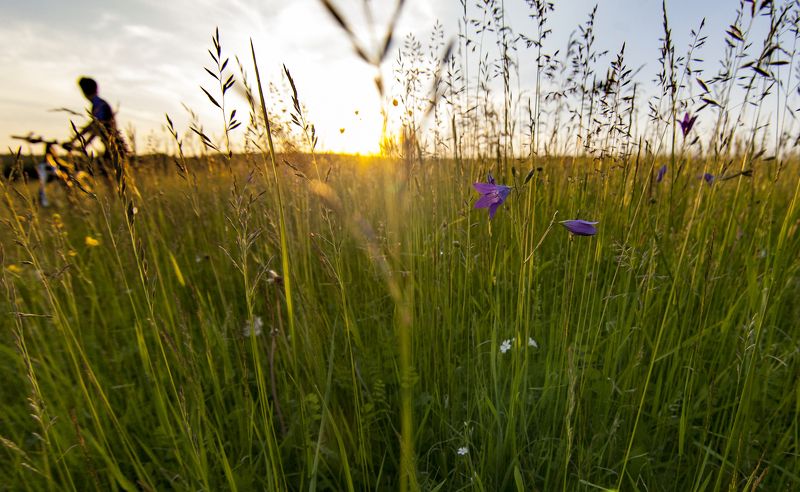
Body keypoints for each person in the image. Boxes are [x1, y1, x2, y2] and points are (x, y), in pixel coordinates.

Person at [63, 77, 130, 196]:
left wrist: (83, 144)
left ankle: (115, 198)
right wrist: (75, 141)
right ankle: (115, 198)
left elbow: (97, 127)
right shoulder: (99, 103)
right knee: (109, 174)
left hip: (114, 145)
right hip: (113, 145)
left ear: (83, 91)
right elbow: (92, 126)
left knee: (109, 174)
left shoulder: (99, 104)